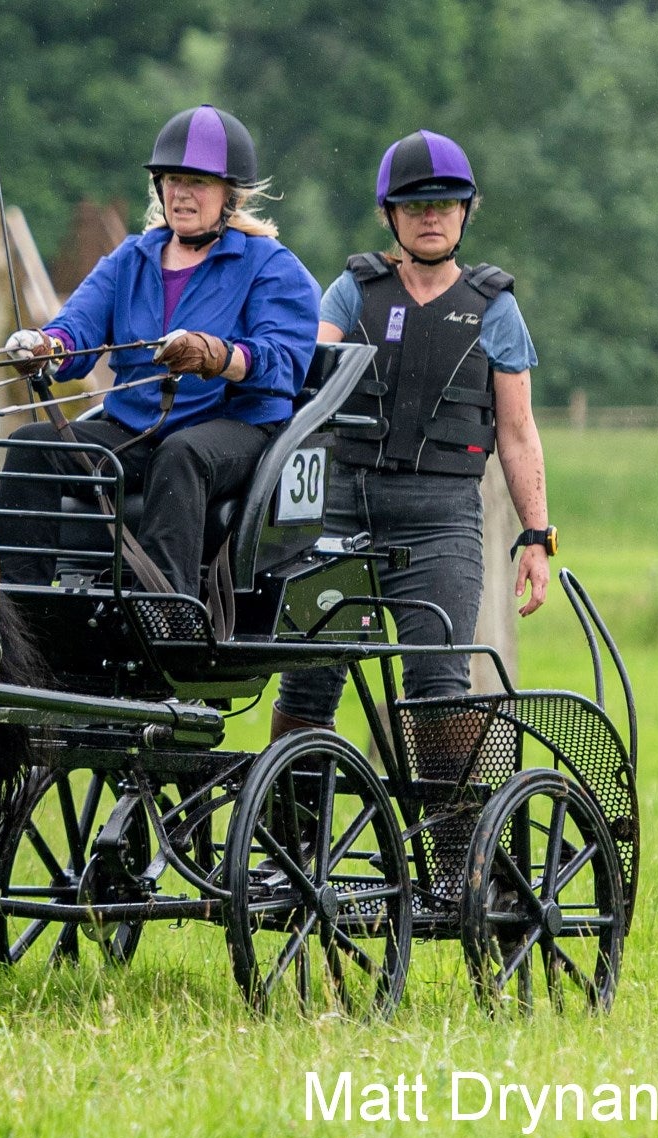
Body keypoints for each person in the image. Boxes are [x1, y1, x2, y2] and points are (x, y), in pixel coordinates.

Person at [271, 130, 554, 747]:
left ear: (464, 212)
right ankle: (290, 836)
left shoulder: (494, 308)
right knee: (307, 684)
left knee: (437, 686)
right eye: (415, 205)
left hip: (441, 521)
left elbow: (518, 431)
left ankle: (455, 845)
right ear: (390, 215)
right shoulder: (352, 292)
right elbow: (308, 379)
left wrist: (536, 537)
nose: (431, 216)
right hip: (341, 507)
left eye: (445, 204)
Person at [0, 104, 319, 600]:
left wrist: (215, 355)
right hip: (135, 431)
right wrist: (45, 346)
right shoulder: (131, 258)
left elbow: (282, 361)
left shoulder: (271, 265)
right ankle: (11, 611)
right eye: (171, 179)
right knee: (33, 444)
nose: (181, 193)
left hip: (238, 429)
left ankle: (163, 606)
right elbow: (77, 327)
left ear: (230, 194)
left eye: (198, 182)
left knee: (180, 453)